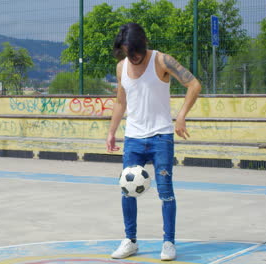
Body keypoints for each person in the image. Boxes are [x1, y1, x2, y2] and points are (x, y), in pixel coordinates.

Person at [106, 23, 202, 261]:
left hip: (161, 136)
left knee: (166, 192)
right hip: (133, 139)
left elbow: (194, 84)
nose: (132, 57)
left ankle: (168, 242)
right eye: (127, 53)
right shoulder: (121, 67)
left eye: (135, 52)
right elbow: (120, 102)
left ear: (143, 43)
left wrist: (181, 117)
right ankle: (130, 240)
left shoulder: (162, 61)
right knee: (127, 191)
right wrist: (111, 132)